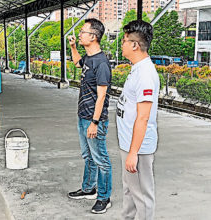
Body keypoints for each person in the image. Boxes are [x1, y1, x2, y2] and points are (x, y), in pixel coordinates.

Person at [67, 18, 113, 214]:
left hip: (94, 119)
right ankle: (88, 189)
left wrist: (94, 122)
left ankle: (104, 197)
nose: (80, 34)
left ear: (93, 37)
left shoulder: (102, 63)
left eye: (83, 32)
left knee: (101, 158)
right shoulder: (89, 59)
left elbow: (102, 96)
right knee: (88, 156)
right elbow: (78, 62)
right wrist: (73, 46)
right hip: (83, 115)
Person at [116, 20, 159, 220]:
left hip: (138, 148)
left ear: (135, 45)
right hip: (128, 144)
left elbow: (143, 117)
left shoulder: (145, 74)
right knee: (129, 191)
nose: (122, 44)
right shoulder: (136, 69)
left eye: (124, 40)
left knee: (142, 195)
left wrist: (134, 152)